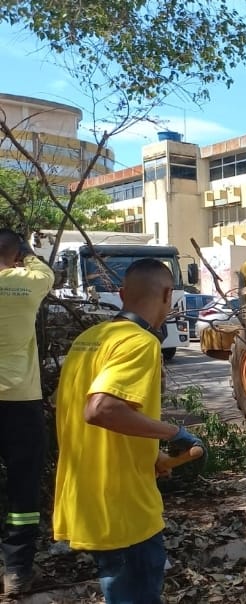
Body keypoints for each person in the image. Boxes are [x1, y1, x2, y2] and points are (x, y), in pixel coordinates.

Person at [53, 258, 204, 604]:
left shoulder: (90, 339)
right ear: (168, 294)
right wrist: (173, 433)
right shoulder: (140, 342)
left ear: (121, 294)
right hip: (123, 508)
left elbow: (94, 419)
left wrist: (153, 457)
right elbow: (101, 409)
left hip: (88, 499)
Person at [0, 229, 53, 596]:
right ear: (17, 254)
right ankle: (17, 572)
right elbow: (46, 272)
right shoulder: (27, 281)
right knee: (23, 489)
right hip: (20, 401)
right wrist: (26, 252)